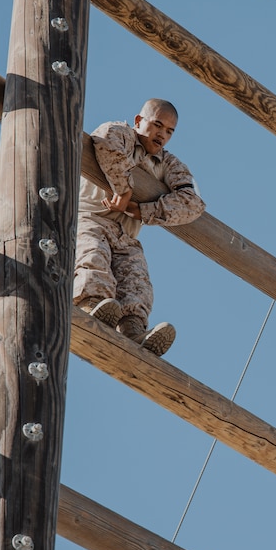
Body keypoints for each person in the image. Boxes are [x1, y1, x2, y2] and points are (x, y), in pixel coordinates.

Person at [72, 98, 205, 357]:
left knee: (136, 280)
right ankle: (92, 305)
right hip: (91, 219)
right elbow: (106, 140)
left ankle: (133, 329)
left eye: (169, 131)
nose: (162, 135)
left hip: (126, 236)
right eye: (157, 125)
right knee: (92, 257)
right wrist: (123, 188)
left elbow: (193, 203)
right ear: (138, 121)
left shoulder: (167, 164)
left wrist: (142, 210)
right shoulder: (120, 133)